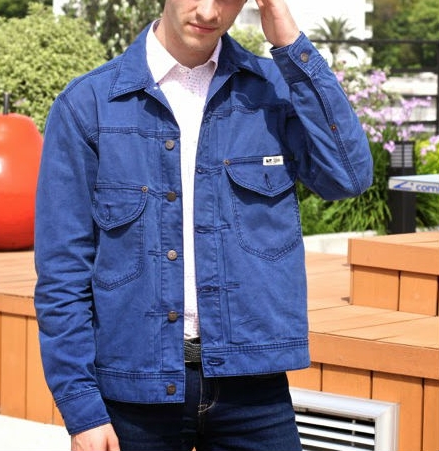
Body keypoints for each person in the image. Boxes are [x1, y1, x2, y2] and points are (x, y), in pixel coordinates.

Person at [34, 0, 373, 450]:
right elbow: (63, 274)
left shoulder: (273, 92)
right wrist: (82, 410)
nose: (211, 12)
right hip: (134, 391)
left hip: (253, 387)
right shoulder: (89, 104)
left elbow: (348, 177)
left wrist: (290, 43)